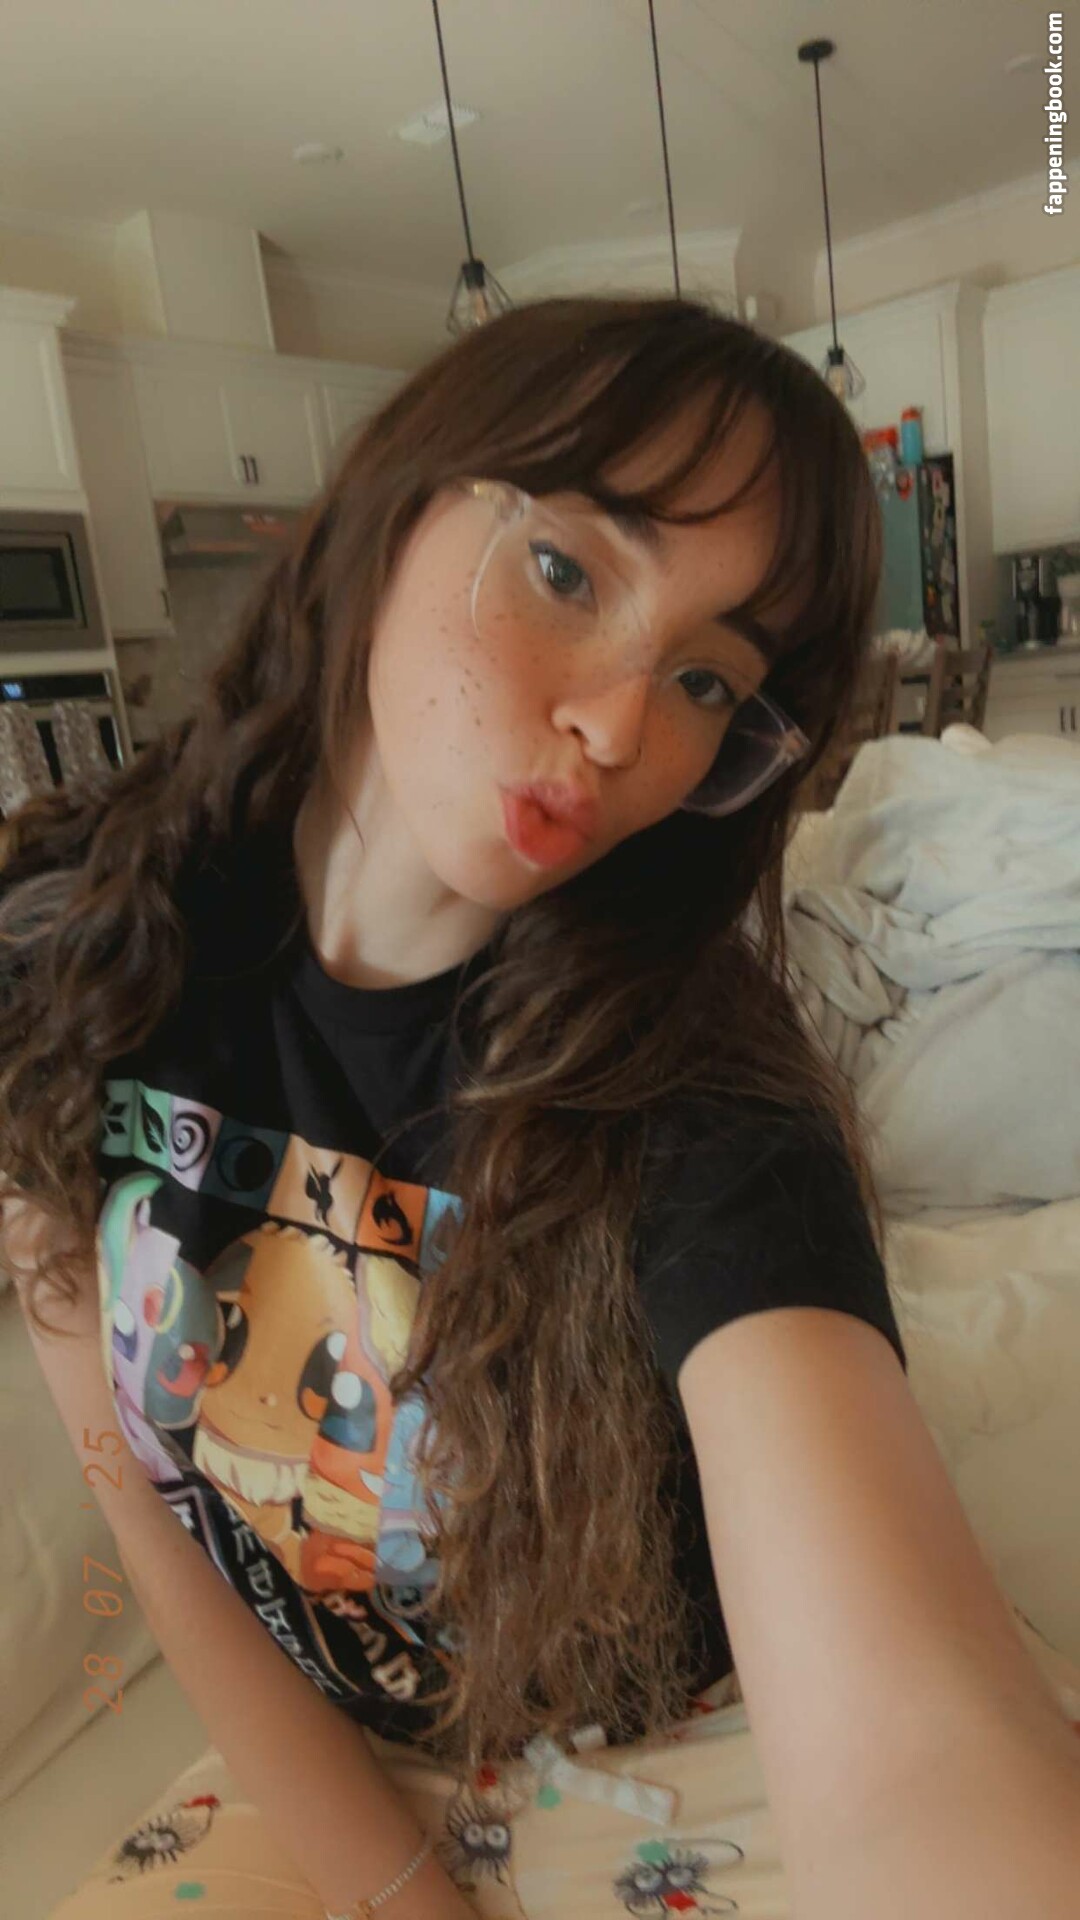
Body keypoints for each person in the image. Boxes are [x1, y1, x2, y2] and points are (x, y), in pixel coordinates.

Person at [3, 297, 1079, 1920]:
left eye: (709, 679)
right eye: (571, 571)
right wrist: (401, 1893)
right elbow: (150, 1512)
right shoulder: (82, 954)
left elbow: (913, 1752)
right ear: (393, 503)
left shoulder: (700, 1100)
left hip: (701, 1752)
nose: (624, 725)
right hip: (328, 1764)